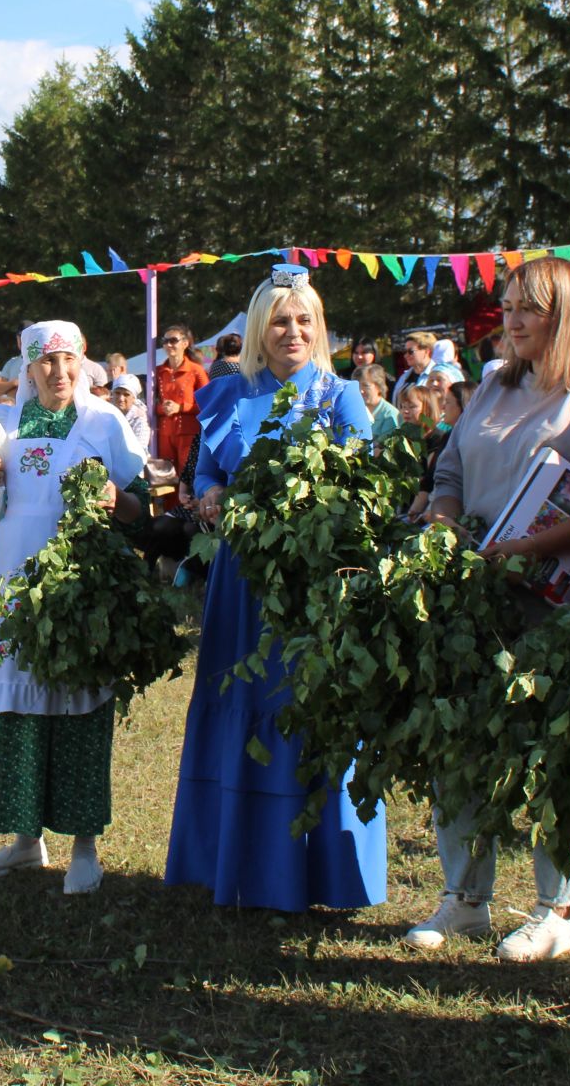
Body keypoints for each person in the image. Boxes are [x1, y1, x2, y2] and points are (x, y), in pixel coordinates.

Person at [406, 255, 570, 960]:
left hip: (558, 602)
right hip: (475, 595)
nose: (510, 318)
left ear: (565, 315)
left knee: (553, 751)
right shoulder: (493, 386)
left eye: (526, 308)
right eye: (507, 305)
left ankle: (557, 907)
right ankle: (464, 898)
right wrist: (444, 519)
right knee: (462, 740)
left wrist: (529, 547)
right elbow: (450, 470)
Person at [165, 265, 386, 912]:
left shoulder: (340, 397)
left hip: (308, 588)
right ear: (260, 330)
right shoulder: (229, 395)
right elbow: (204, 468)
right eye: (280, 321)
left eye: (304, 320)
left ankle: (316, 874)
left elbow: (363, 494)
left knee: (302, 705)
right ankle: (233, 862)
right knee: (243, 703)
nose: (293, 331)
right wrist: (207, 493)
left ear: (319, 329)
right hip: (238, 585)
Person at [0, 320, 149, 895]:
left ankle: (85, 846)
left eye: (68, 361)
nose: (58, 373)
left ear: (84, 361)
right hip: (16, 583)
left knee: (80, 704)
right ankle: (24, 840)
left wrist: (119, 502)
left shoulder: (104, 421)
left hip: (79, 588)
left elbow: (142, 502)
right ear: (26, 368)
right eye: (45, 363)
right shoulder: (5, 423)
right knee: (19, 711)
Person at [152, 325, 208, 471]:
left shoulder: (196, 370)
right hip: (164, 434)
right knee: (167, 479)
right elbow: (150, 405)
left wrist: (181, 407)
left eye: (173, 340)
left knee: (189, 478)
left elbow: (208, 404)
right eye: (165, 341)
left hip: (189, 434)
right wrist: (161, 408)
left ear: (185, 343)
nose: (168, 345)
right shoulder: (158, 371)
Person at [356, 364, 398, 442]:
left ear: (379, 386)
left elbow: (383, 448)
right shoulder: (355, 411)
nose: (361, 391)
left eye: (366, 386)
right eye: (357, 386)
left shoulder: (389, 415)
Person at [110, 373, 151, 448]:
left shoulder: (140, 420)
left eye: (126, 394)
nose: (121, 398)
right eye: (117, 393)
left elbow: (140, 449)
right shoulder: (107, 414)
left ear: (134, 398)